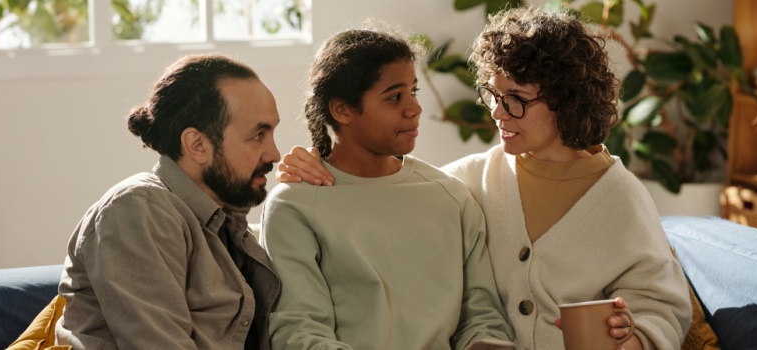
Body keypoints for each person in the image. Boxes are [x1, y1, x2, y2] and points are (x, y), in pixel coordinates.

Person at [275, 7, 692, 350]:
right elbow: (378, 188)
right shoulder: (468, 181)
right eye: (493, 95)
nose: (497, 112)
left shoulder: (620, 196)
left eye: (516, 101)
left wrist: (632, 341)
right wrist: (306, 161)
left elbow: (661, 305)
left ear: (566, 100)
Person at [260, 25, 515, 350]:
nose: (414, 109)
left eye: (414, 91)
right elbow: (299, 330)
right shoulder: (294, 205)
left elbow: (482, 317)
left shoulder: (450, 196)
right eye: (394, 96)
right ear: (342, 109)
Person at [55, 54, 282, 349]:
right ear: (198, 145)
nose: (275, 154)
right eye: (258, 136)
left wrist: (311, 191)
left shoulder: (228, 223)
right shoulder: (139, 210)